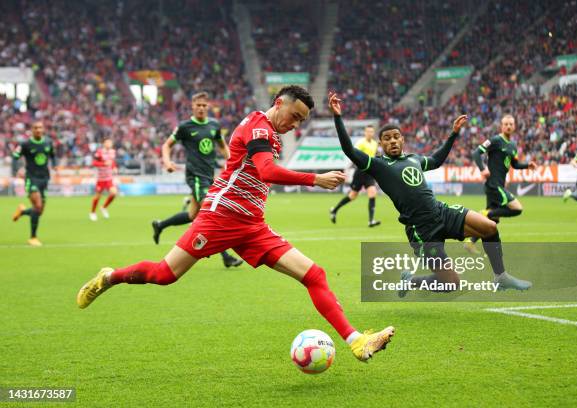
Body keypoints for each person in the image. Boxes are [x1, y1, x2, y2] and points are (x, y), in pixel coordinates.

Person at [77, 86, 395, 362]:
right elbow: (266, 172)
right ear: (279, 103)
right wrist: (314, 178)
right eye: (294, 116)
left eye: (301, 121)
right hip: (221, 216)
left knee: (314, 274)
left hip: (252, 225)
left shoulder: (269, 132)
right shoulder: (259, 128)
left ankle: (357, 342)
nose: (294, 124)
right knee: (164, 274)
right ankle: (109, 277)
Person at [328, 92, 532, 295]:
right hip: (422, 230)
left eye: (396, 137)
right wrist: (338, 117)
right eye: (387, 139)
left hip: (441, 211)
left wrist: (453, 134)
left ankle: (501, 277)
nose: (392, 141)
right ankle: (412, 281)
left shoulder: (414, 159)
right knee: (451, 284)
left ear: (403, 139)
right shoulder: (378, 165)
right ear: (381, 144)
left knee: (489, 227)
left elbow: (436, 160)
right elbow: (349, 150)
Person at [151, 91, 242, 268]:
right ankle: (226, 256)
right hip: (195, 176)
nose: (201, 108)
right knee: (211, 212)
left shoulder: (214, 125)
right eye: (197, 105)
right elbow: (166, 145)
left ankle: (160, 225)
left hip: (208, 176)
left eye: (203, 105)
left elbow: (223, 147)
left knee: (193, 214)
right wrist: (168, 162)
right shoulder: (185, 127)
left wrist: (233, 163)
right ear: (192, 107)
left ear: (208, 107)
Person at [464, 114, 536, 253]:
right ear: (501, 126)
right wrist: (483, 168)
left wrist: (527, 165)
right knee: (517, 208)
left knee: (492, 221)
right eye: (506, 124)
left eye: (511, 124)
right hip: (493, 184)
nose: (508, 126)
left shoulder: (513, 145)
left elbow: (514, 164)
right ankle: (485, 213)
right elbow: (476, 153)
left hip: (499, 184)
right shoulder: (496, 140)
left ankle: (470, 242)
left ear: (514, 126)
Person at [12, 121, 56, 246]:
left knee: (40, 211)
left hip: (44, 178)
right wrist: (17, 170)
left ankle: (22, 212)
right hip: (31, 178)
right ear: (32, 129)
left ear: (43, 129)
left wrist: (55, 166)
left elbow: (53, 155)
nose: (38, 129)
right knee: (37, 206)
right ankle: (33, 237)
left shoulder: (48, 142)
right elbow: (15, 156)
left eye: (40, 127)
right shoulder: (25, 144)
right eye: (35, 127)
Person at [329, 125, 381, 227]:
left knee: (372, 193)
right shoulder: (361, 143)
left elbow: (374, 155)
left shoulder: (374, 143)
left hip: (369, 172)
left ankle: (371, 221)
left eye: (371, 132)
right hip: (360, 172)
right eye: (368, 131)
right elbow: (351, 154)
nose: (370, 133)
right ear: (365, 133)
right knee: (352, 196)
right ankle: (334, 210)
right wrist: (347, 169)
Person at [90, 138, 118, 221]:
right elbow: (94, 163)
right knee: (97, 196)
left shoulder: (112, 152)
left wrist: (114, 167)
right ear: (104, 143)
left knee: (114, 193)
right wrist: (103, 164)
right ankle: (92, 212)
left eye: (111, 142)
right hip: (100, 178)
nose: (110, 143)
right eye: (108, 142)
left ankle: (103, 207)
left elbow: (112, 162)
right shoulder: (99, 152)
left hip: (109, 178)